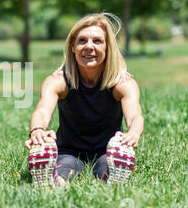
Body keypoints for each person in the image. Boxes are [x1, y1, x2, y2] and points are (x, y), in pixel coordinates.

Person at [25, 13, 144, 187]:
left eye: (97, 41)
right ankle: (54, 181)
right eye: (82, 41)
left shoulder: (123, 83)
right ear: (73, 46)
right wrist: (37, 130)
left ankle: (112, 181)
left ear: (108, 47)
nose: (89, 47)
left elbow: (135, 116)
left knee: (107, 168)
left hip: (108, 149)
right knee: (66, 166)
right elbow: (42, 110)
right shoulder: (58, 81)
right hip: (69, 149)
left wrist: (133, 133)